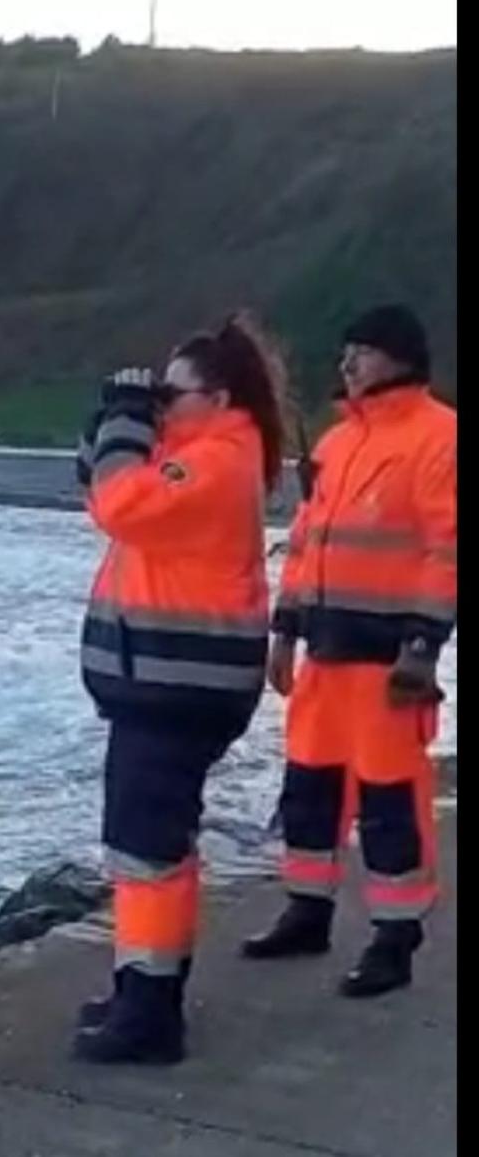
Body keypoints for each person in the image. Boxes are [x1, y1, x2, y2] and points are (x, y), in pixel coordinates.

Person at [72, 313, 286, 1064]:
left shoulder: (219, 462)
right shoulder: (201, 455)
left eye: (175, 391)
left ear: (220, 398)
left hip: (178, 690)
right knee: (146, 848)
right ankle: (141, 987)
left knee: (149, 850)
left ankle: (153, 1016)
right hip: (165, 687)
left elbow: (120, 504)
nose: (162, 404)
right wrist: (111, 421)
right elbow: (100, 491)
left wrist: (129, 421)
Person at [242, 305, 456, 997]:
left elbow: (446, 551)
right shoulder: (336, 445)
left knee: (391, 800)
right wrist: (284, 631)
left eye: (359, 352)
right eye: (345, 353)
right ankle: (308, 912)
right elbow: (305, 545)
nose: (346, 365)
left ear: (398, 358)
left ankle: (396, 940)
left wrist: (422, 649)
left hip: (389, 662)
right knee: (309, 789)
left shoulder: (440, 438)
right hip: (324, 657)